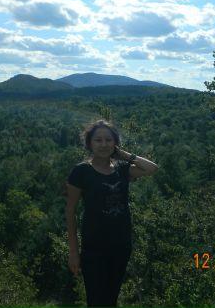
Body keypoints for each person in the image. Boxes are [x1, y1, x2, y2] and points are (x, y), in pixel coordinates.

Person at [65, 120, 159, 308]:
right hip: (94, 248)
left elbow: (152, 168)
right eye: (98, 140)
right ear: (89, 143)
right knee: (96, 300)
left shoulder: (122, 169)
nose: (103, 144)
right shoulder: (81, 171)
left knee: (111, 299)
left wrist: (123, 154)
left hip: (121, 246)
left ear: (115, 143)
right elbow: (70, 212)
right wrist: (74, 252)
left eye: (108, 140)